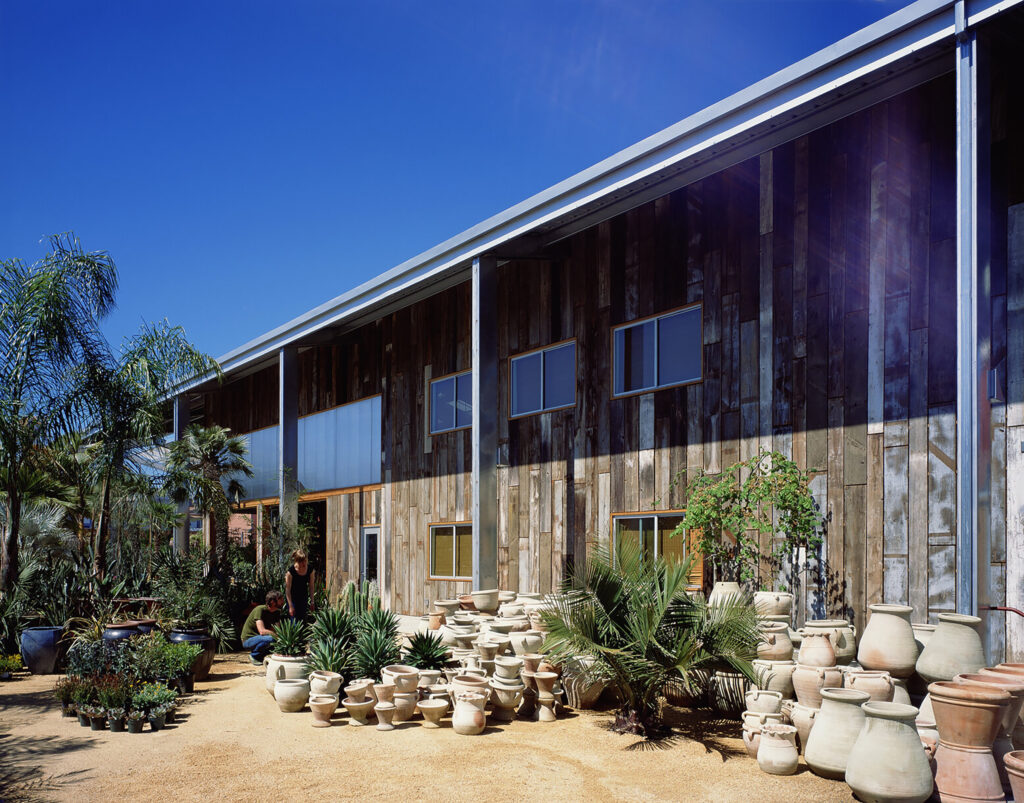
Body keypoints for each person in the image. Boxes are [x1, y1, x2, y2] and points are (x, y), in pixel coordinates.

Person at [241, 590, 284, 664]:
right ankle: (254, 656)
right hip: (248, 640)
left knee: (276, 642)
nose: (283, 601)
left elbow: (278, 630)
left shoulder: (277, 612)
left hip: (262, 638)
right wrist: (277, 637)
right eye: (280, 599)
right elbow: (262, 631)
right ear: (272, 601)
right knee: (271, 638)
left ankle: (261, 656)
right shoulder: (260, 609)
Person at [285, 549, 316, 621]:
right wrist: (290, 606)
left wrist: (312, 601)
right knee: (294, 622)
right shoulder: (291, 572)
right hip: (292, 598)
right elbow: (287, 590)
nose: (304, 563)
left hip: (303, 597)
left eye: (305, 561)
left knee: (302, 621)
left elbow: (311, 586)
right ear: (297, 561)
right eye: (302, 561)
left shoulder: (310, 570)